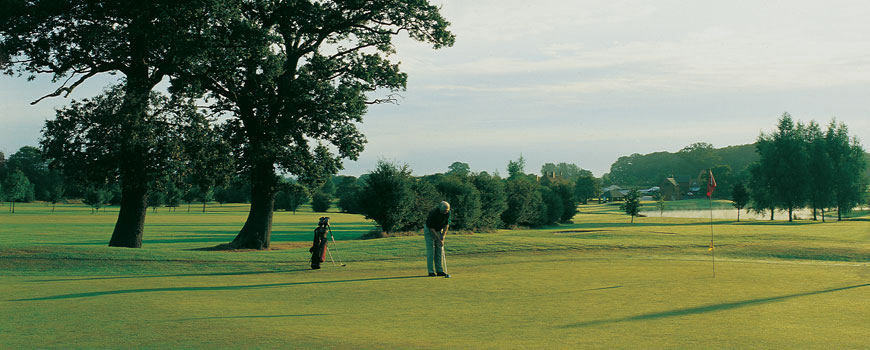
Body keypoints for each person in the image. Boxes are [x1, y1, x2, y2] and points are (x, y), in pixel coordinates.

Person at [424, 201, 451, 277]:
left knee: (439, 250)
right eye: (444, 211)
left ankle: (439, 271)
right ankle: (431, 271)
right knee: (431, 251)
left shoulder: (448, 212)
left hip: (439, 230)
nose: (445, 212)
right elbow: (431, 228)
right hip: (429, 230)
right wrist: (439, 239)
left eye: (447, 211)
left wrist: (443, 236)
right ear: (440, 209)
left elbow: (446, 224)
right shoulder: (433, 213)